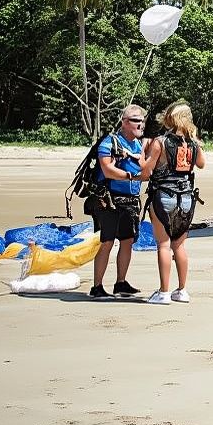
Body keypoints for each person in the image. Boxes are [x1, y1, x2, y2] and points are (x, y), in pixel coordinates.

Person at [140, 102, 206, 304]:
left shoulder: (160, 141)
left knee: (163, 244)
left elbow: (147, 170)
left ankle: (163, 292)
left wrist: (141, 154)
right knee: (179, 246)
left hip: (164, 196)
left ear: (169, 118)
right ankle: (182, 290)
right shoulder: (194, 144)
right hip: (186, 198)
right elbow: (201, 164)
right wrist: (195, 142)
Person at [86, 105, 148, 299]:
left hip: (131, 202)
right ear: (124, 122)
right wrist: (132, 176)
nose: (141, 124)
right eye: (136, 120)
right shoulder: (109, 142)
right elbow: (107, 170)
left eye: (142, 120)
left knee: (127, 241)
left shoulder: (139, 145)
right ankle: (97, 287)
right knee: (107, 241)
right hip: (109, 201)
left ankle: (121, 283)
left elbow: (147, 168)